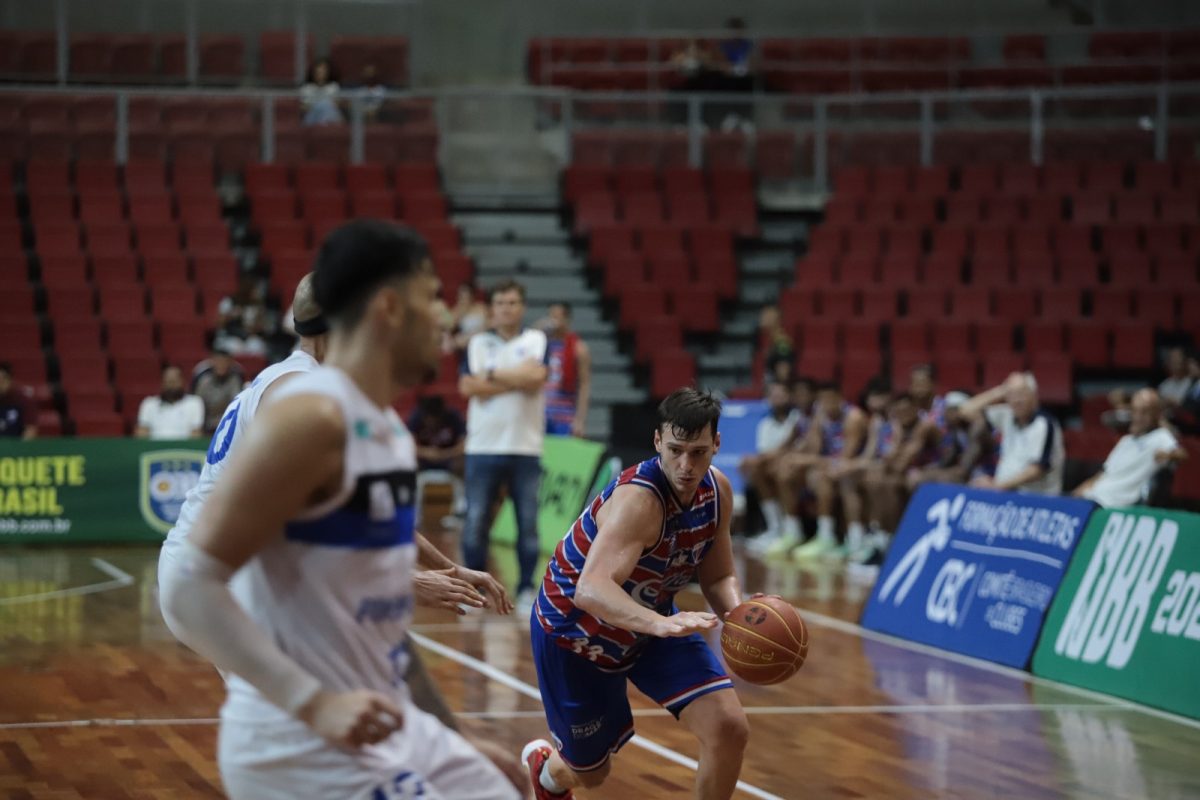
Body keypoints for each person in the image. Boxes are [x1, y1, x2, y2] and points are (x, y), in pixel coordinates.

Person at [159, 221, 524, 799]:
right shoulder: (308, 409)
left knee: (502, 786)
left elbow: (382, 622)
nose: (447, 318)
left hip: (348, 696)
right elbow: (189, 583)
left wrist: (453, 737)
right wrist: (314, 704)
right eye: (432, 297)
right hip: (292, 728)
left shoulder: (382, 430)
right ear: (387, 308)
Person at [524, 388, 749, 800]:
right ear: (657, 441)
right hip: (576, 633)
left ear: (716, 444)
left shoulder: (717, 491)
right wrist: (659, 624)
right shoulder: (639, 500)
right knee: (592, 773)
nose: (686, 465)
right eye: (676, 450)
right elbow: (591, 588)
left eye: (698, 452)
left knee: (728, 727)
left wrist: (741, 618)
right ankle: (547, 773)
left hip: (651, 620)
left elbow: (718, 577)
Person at [458, 280, 549, 612]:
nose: (506, 309)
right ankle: (473, 591)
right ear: (491, 309)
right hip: (482, 448)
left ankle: (525, 589)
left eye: (512, 303)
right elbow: (469, 387)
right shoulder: (478, 342)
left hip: (526, 448)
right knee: (475, 522)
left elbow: (536, 380)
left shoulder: (536, 339)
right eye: (500, 303)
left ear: (522, 307)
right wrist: (517, 377)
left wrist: (492, 375)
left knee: (528, 525)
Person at [782, 382, 868, 561]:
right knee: (787, 473)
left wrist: (810, 461)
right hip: (830, 465)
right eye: (822, 400)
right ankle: (790, 532)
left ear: (840, 399)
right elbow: (815, 449)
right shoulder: (820, 417)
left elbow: (845, 459)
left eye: (830, 399)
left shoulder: (853, 417)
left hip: (856, 468)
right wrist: (802, 460)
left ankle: (847, 539)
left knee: (830, 478)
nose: (826, 404)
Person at [1073, 388, 1187, 507]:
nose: (1137, 417)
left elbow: (1181, 454)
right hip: (1091, 496)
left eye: (1144, 412)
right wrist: (1079, 491)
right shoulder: (1126, 440)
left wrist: (1168, 455)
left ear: (1156, 415)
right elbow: (1105, 472)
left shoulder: (1160, 436)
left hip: (1112, 501)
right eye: (1135, 411)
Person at [740, 377, 815, 555]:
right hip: (782, 464)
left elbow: (796, 449)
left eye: (781, 395)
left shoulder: (800, 417)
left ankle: (793, 531)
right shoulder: (765, 423)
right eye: (773, 395)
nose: (777, 399)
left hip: (801, 466)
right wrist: (758, 461)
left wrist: (760, 460)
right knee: (757, 471)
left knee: (779, 471)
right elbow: (776, 450)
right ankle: (776, 528)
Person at [961, 372, 1064, 495]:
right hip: (1004, 492)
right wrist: (1000, 391)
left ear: (1034, 395)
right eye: (1011, 395)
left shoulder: (1044, 423)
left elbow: (1036, 470)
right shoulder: (1007, 415)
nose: (1016, 400)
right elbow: (965, 411)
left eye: (1021, 394)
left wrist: (997, 486)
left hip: (1035, 497)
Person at [542, 301, 592, 437]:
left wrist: (580, 420)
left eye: (557, 317)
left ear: (567, 319)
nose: (554, 321)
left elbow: (584, 385)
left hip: (564, 416)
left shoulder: (578, 348)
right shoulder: (541, 343)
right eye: (551, 316)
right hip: (541, 415)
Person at [135, 366, 205, 440]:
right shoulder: (149, 404)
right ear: (162, 383)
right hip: (154, 446)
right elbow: (142, 433)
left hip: (184, 447)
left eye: (174, 381)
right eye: (168, 381)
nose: (171, 385)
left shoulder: (194, 403)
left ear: (182, 382)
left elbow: (196, 434)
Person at [191, 348, 246, 436]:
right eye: (218, 362)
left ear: (230, 363)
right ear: (212, 362)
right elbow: (197, 405)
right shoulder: (204, 381)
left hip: (228, 425)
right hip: (206, 426)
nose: (221, 365)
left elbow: (236, 405)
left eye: (224, 362)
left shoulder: (235, 380)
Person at [300, 57, 344, 126]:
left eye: (322, 71)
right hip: (312, 116)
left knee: (326, 106)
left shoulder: (333, 87)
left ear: (327, 72)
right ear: (313, 73)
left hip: (331, 116)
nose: (320, 74)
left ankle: (324, 127)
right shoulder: (306, 88)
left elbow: (337, 105)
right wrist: (318, 107)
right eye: (318, 72)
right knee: (322, 105)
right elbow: (303, 107)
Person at [0, 362, 37, 439]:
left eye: (2, 381)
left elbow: (30, 430)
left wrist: (21, 446)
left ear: (9, 380)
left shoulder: (23, 401)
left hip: (15, 444)